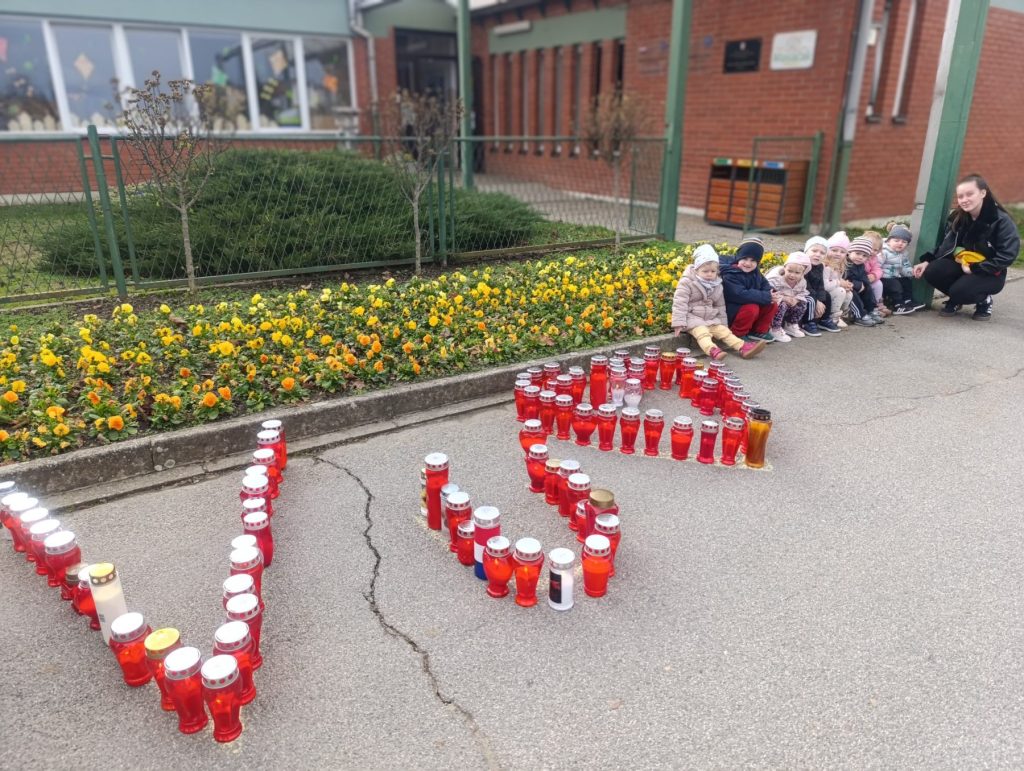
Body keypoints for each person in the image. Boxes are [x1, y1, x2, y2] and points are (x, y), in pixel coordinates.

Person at [913, 174, 1021, 320]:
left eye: (969, 194)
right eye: (960, 196)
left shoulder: (1001, 220)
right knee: (932, 271)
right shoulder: (959, 217)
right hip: (964, 264)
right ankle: (957, 297)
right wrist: (928, 260)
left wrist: (976, 268)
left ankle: (983, 301)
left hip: (990, 271)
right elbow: (947, 245)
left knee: (960, 291)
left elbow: (1007, 255)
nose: (964, 200)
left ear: (983, 193)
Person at [672, 244, 767, 361]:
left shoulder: (717, 283)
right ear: (696, 270)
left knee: (724, 332)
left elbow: (720, 305)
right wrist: (678, 322)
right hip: (692, 317)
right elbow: (679, 302)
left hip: (710, 318)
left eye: (713, 271)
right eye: (705, 271)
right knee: (702, 333)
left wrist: (723, 324)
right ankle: (712, 349)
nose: (709, 274)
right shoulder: (687, 282)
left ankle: (743, 347)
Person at [721, 237, 778, 343]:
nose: (748, 263)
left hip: (746, 307)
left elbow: (765, 286)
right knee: (752, 307)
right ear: (738, 258)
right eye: (745, 259)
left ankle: (758, 331)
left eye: (753, 260)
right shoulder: (731, 273)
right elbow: (739, 294)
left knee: (771, 304)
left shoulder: (756, 273)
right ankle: (738, 333)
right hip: (732, 309)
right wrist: (765, 296)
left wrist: (771, 293)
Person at [766, 251, 812, 342]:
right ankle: (775, 328)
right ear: (784, 268)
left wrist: (796, 299)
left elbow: (803, 293)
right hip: (776, 302)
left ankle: (790, 324)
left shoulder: (802, 282)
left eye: (797, 273)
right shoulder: (777, 279)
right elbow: (770, 292)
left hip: (791, 302)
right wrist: (783, 298)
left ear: (803, 273)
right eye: (789, 271)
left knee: (803, 303)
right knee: (782, 304)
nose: (792, 275)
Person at [879, 223, 923, 314]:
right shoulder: (884, 251)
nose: (900, 244)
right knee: (895, 285)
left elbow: (905, 267)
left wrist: (913, 272)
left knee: (906, 280)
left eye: (904, 242)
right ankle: (897, 305)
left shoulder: (903, 254)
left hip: (893, 276)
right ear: (888, 241)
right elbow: (877, 265)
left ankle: (908, 301)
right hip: (882, 278)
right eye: (896, 241)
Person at [802, 236, 839, 333]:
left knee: (826, 295)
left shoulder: (819, 266)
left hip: (813, 292)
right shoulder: (803, 264)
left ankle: (824, 319)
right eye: (814, 251)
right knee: (811, 299)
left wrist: (821, 300)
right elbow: (806, 285)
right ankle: (807, 322)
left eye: (822, 253)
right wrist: (817, 301)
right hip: (802, 291)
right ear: (806, 251)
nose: (818, 255)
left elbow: (820, 285)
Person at [846, 237, 883, 326]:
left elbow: (863, 276)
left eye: (864, 256)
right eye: (857, 253)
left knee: (868, 287)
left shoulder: (861, 265)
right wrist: (858, 284)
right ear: (850, 252)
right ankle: (859, 316)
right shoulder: (846, 264)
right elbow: (845, 278)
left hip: (858, 286)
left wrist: (864, 283)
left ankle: (870, 310)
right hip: (849, 286)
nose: (860, 257)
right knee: (852, 293)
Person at [825, 232, 854, 328]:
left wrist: (845, 284)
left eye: (842, 252)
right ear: (827, 250)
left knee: (848, 293)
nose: (838, 254)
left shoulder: (839, 266)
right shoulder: (826, 266)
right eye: (834, 250)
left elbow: (837, 280)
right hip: (825, 293)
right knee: (840, 291)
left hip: (833, 289)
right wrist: (839, 283)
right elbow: (825, 285)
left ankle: (840, 315)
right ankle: (833, 317)